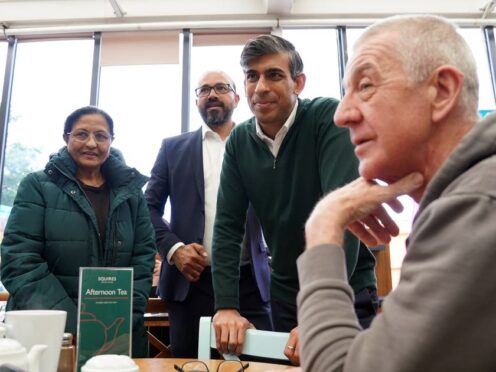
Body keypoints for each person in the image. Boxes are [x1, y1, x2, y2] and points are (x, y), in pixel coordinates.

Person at [296, 14, 495, 371]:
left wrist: (323, 225)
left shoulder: (476, 207)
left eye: (366, 85)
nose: (342, 114)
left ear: (443, 91)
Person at [211, 34, 377, 363]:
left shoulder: (328, 119)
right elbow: (228, 226)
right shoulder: (238, 142)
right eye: (251, 75)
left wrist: (323, 309)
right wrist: (226, 305)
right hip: (286, 293)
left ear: (297, 83)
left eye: (273, 74)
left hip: (347, 288)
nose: (260, 87)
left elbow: (340, 213)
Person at [0, 106, 156, 357]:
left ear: (111, 141)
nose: (91, 143)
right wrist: (75, 324)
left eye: (101, 136)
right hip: (48, 334)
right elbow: (18, 261)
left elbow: (144, 257)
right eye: (81, 134)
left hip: (116, 330)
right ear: (66, 138)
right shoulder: (37, 186)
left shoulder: (131, 194)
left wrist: (125, 314)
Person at [145, 70, 273, 358]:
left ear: (237, 98)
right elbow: (147, 208)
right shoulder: (172, 148)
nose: (211, 94)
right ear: (197, 101)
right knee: (191, 364)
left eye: (220, 88)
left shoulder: (262, 144)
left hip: (250, 283)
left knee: (263, 364)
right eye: (203, 90)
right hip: (190, 285)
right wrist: (174, 249)